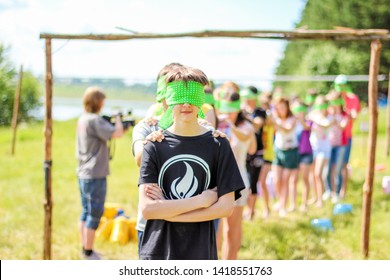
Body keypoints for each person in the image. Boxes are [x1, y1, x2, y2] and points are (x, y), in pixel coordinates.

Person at [138, 66, 245, 260]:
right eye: (180, 95)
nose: (186, 103)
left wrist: (168, 211)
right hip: (158, 251)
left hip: (200, 251)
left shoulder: (219, 145)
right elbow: (148, 209)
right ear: (168, 97)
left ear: (202, 99)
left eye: (192, 95)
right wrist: (201, 201)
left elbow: (225, 208)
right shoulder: (153, 146)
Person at [76, 86, 125, 260]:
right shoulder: (95, 120)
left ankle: (85, 248)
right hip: (95, 173)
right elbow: (117, 133)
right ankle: (89, 253)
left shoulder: (83, 119)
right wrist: (119, 118)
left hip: (83, 172)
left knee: (85, 211)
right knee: (95, 213)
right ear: (98, 102)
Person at [217, 87, 257, 259]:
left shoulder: (245, 125)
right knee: (222, 229)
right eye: (226, 110)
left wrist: (231, 125)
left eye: (231, 110)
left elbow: (246, 139)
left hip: (239, 181)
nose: (228, 114)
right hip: (219, 182)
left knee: (233, 229)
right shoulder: (218, 123)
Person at [240, 86, 266, 220]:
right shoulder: (242, 111)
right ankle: (244, 209)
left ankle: (251, 211)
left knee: (254, 181)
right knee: (244, 182)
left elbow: (257, 125)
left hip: (258, 152)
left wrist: (245, 117)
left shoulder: (260, 111)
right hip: (244, 151)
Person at [334, 75, 361, 198]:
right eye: (339, 85)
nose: (341, 88)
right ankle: (332, 190)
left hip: (346, 136)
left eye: (343, 85)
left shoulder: (353, 98)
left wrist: (348, 113)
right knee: (333, 165)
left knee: (343, 164)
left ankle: (343, 191)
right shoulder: (333, 98)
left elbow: (354, 115)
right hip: (332, 137)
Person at [270, 97, 298, 217]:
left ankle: (282, 206)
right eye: (279, 108)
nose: (281, 110)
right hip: (278, 151)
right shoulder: (275, 118)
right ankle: (280, 201)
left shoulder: (292, 119)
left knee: (285, 180)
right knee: (277, 179)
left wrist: (275, 122)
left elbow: (287, 129)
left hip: (290, 152)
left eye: (283, 107)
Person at [308, 95, 335, 207]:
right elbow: (309, 115)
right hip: (313, 147)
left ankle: (320, 200)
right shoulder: (314, 115)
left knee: (318, 173)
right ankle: (315, 197)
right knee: (312, 174)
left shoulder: (330, 118)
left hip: (324, 149)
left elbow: (325, 124)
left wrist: (315, 117)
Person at [324, 91, 349, 203]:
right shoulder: (328, 113)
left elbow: (343, 127)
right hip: (329, 144)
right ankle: (329, 190)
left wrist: (335, 120)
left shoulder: (345, 114)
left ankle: (337, 193)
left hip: (341, 145)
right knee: (328, 169)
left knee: (337, 170)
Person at [289, 100, 313, 212]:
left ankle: (304, 203)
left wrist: (301, 119)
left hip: (306, 153)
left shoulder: (308, 122)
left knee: (304, 179)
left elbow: (306, 128)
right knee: (293, 180)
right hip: (294, 153)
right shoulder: (292, 123)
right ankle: (293, 204)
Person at [258, 93, 274, 218]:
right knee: (259, 182)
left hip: (268, 155)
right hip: (260, 154)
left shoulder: (270, 119)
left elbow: (271, 121)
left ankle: (266, 208)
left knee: (262, 182)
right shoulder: (259, 122)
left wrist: (267, 112)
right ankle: (264, 208)